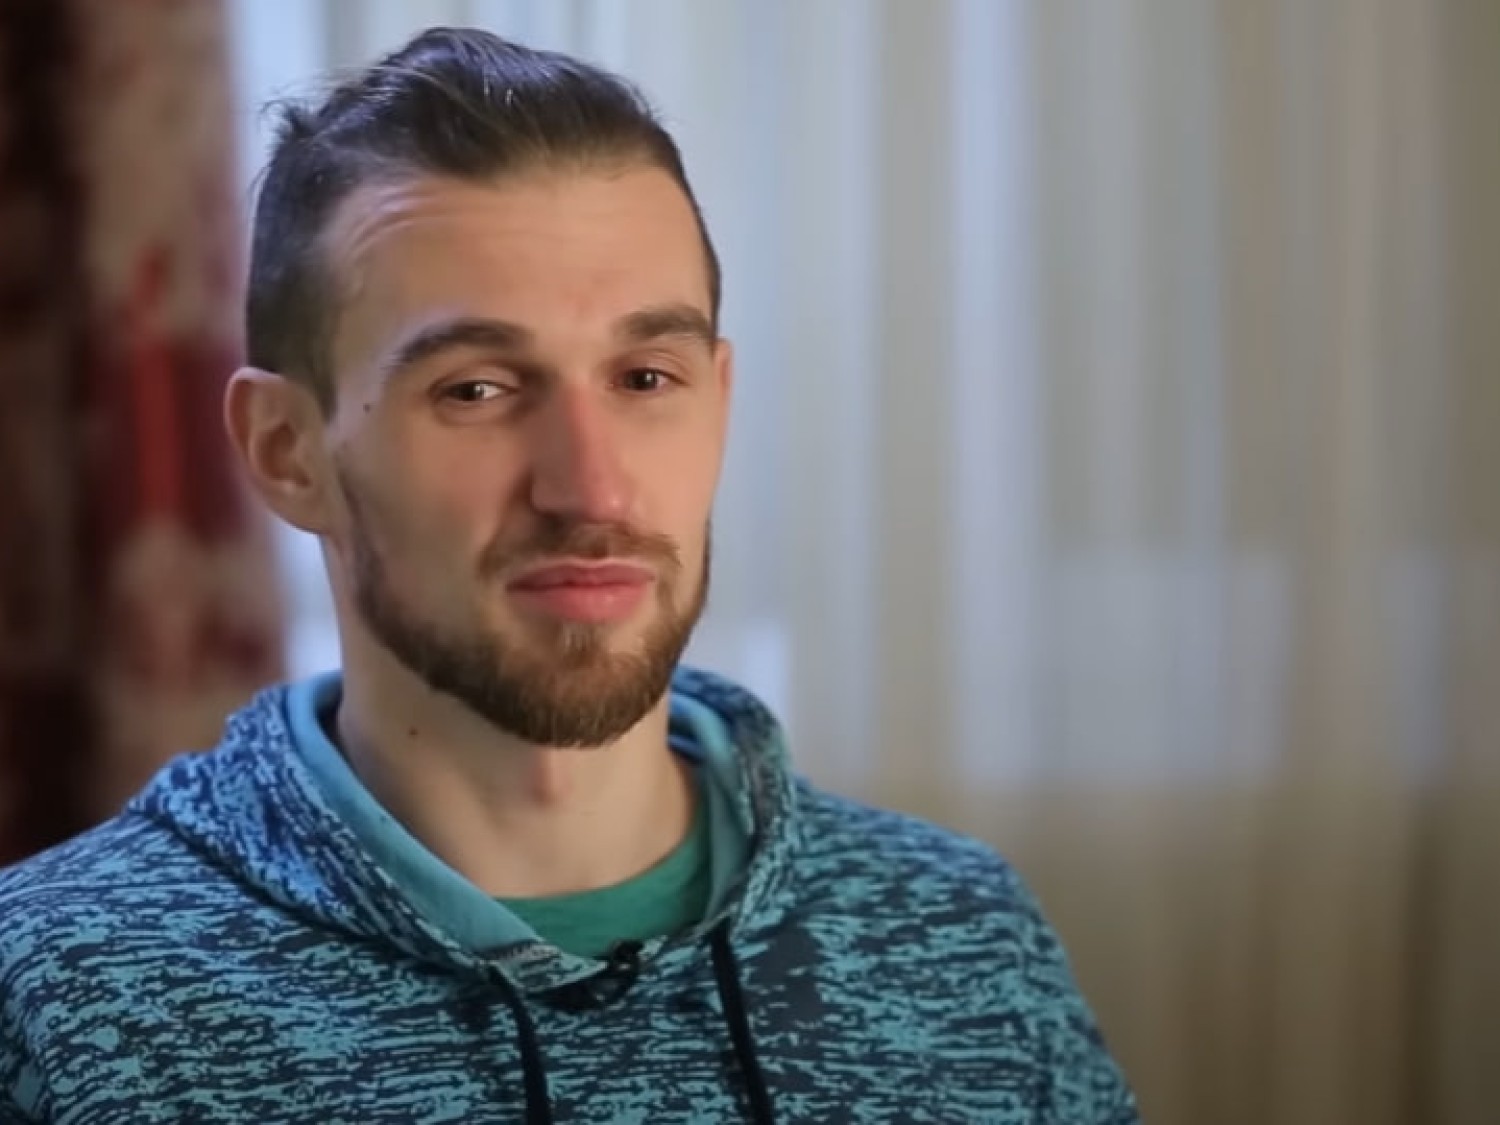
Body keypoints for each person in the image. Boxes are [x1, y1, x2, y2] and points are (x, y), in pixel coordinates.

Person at [0, 27, 1137, 1125]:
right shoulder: (56, 993)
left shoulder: (963, 939)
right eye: (476, 390)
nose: (591, 490)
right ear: (287, 452)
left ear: (720, 402)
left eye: (645, 379)